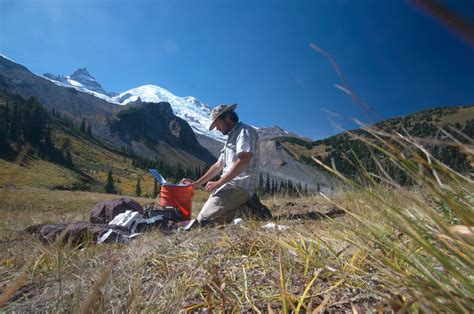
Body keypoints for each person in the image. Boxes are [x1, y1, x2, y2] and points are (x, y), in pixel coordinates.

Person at [181, 103, 262, 224]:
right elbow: (218, 165)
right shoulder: (231, 136)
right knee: (202, 219)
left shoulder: (244, 131)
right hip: (228, 186)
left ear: (227, 118)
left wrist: (219, 182)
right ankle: (244, 208)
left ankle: (248, 210)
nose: (216, 128)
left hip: (240, 186)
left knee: (204, 221)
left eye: (217, 123)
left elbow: (244, 159)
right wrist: (196, 183)